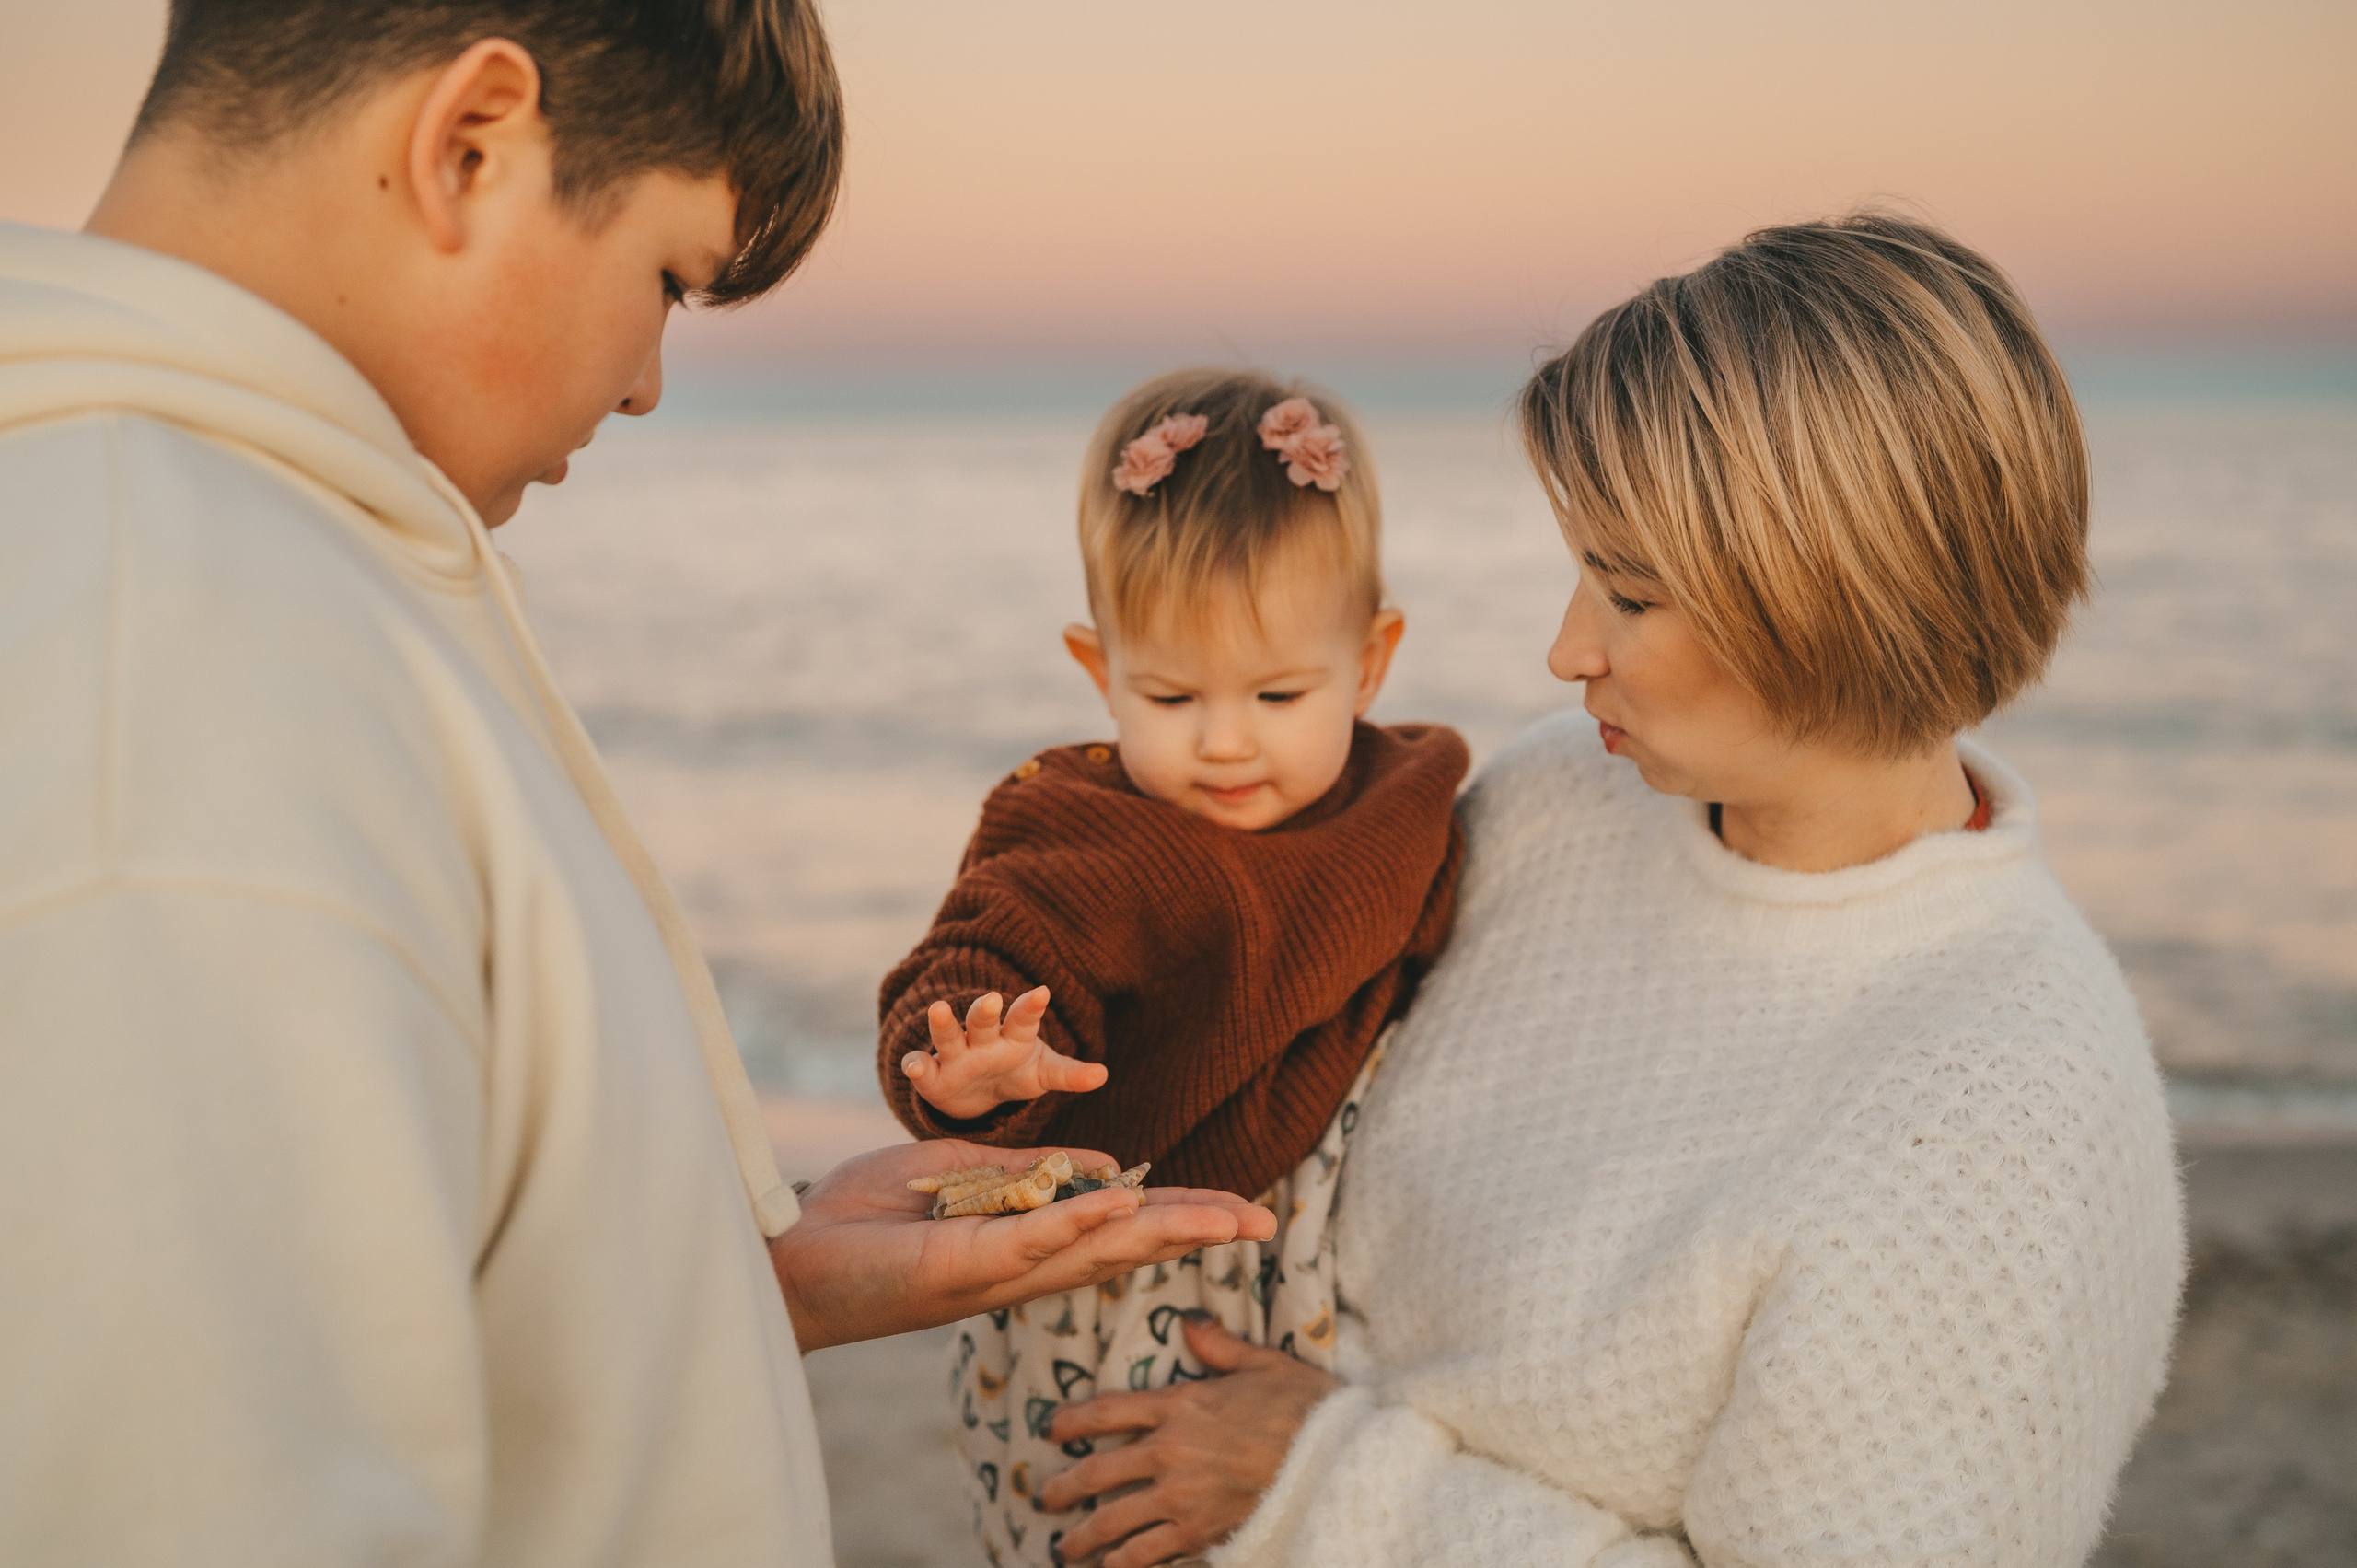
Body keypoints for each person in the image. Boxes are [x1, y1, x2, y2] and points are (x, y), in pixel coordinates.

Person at [0, 5, 1270, 1563]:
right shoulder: (169, 664)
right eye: (669, 278)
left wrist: (750, 1276)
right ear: (470, 143)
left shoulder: (258, 565)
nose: (651, 382)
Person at [1031, 214, 2189, 1568]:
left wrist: (1323, 1481)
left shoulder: (2011, 1121)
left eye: (1630, 595)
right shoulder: (1555, 801)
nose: (1565, 647)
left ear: (1831, 599)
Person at [876, 368, 1467, 1567]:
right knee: (1114, 1519)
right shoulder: (1085, 833)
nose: (1225, 738)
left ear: (1374, 658)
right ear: (1100, 673)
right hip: (1124, 1297)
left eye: (1281, 691)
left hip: (1327, 1289)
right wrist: (977, 1060)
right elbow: (982, 953)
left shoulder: (1411, 818)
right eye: (1170, 693)